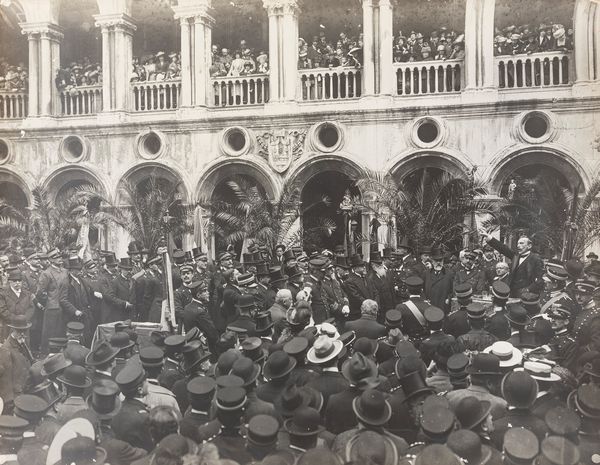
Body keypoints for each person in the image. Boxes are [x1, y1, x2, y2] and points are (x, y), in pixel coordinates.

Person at [485, 233, 545, 298]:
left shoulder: (536, 259)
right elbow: (503, 248)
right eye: (518, 244)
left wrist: (528, 289)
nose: (518, 246)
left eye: (521, 243)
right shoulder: (515, 256)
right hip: (512, 294)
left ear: (529, 246)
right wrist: (489, 237)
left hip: (527, 296)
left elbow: (540, 280)